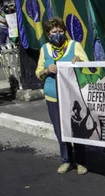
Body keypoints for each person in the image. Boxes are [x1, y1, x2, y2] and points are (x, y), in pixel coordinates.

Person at [35, 17, 89, 175]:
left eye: (60, 31)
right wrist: (46, 71)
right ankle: (67, 160)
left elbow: (89, 66)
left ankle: (80, 161)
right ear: (48, 33)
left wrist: (78, 61)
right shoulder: (44, 49)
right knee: (60, 131)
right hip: (53, 97)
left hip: (73, 97)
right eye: (54, 32)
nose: (57, 34)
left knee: (77, 129)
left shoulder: (74, 45)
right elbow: (38, 72)